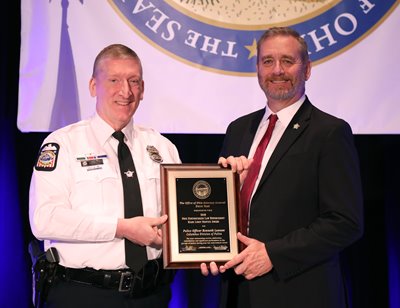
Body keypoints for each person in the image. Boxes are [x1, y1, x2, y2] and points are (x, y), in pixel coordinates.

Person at [201, 27, 363, 308]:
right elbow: (221, 209)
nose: (277, 70)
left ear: (307, 69)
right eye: (268, 61)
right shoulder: (239, 129)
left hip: (299, 293)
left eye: (287, 61)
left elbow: (345, 222)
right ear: (257, 69)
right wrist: (208, 247)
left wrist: (273, 254)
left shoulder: (329, 132)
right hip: (238, 291)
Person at [29, 44, 181, 307]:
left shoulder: (163, 148)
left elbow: (181, 217)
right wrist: (122, 228)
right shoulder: (62, 144)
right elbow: (44, 220)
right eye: (114, 80)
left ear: (142, 89)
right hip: (82, 294)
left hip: (150, 295)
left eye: (134, 81)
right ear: (92, 86)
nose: (126, 91)